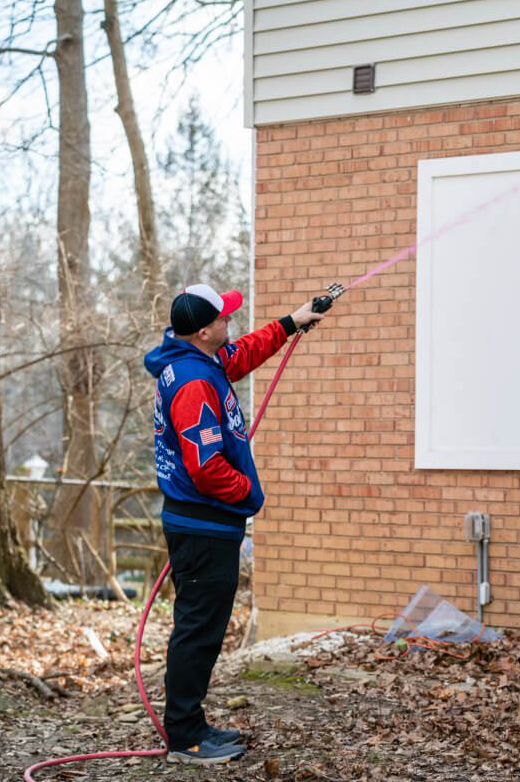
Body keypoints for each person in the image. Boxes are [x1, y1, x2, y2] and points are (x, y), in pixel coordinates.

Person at [143, 283, 326, 765]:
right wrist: (247, 493)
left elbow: (242, 353)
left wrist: (292, 322)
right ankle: (185, 737)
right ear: (204, 331)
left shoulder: (200, 358)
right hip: (202, 525)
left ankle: (192, 724)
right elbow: (205, 466)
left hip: (206, 523)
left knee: (202, 627)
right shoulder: (193, 383)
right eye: (223, 317)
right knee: (198, 631)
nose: (230, 322)